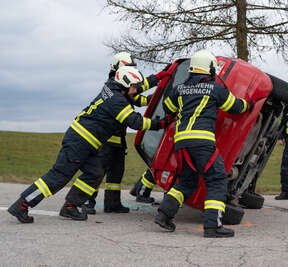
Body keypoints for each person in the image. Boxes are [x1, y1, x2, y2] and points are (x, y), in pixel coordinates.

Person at [7, 65, 171, 223]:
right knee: (58, 176)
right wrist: (161, 123)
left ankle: (70, 206)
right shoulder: (117, 100)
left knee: (94, 173)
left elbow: (136, 90)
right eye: (134, 87)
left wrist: (158, 77)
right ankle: (22, 204)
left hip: (88, 143)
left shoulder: (112, 87)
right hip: (80, 142)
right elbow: (134, 121)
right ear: (125, 85)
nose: (136, 90)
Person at [154, 49, 253, 238]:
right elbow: (235, 107)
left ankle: (164, 215)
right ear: (210, 69)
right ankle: (212, 226)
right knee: (217, 179)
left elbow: (168, 108)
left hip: (182, 142)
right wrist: (249, 103)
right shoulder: (216, 89)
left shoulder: (180, 90)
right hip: (202, 142)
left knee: (187, 181)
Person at [83, 52, 167, 214]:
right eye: (129, 68)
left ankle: (112, 203)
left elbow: (139, 98)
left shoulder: (124, 88)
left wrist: (159, 94)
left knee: (116, 173)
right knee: (96, 171)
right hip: (104, 139)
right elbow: (139, 93)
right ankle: (87, 202)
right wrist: (159, 77)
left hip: (117, 139)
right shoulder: (114, 87)